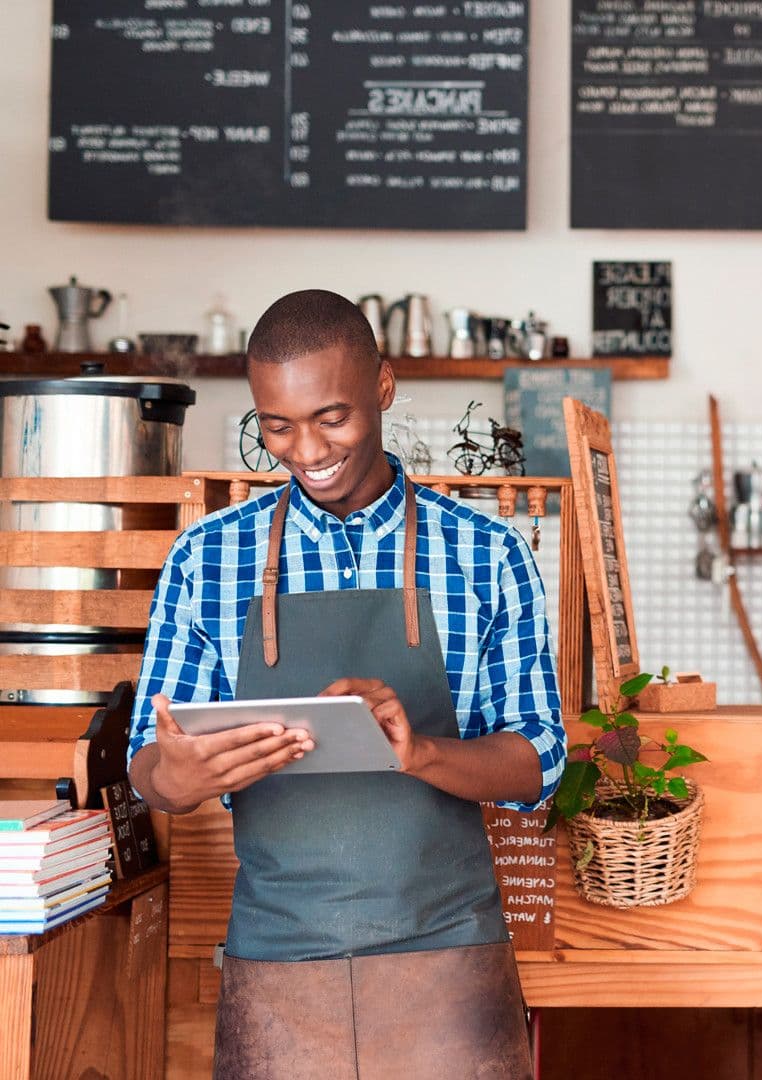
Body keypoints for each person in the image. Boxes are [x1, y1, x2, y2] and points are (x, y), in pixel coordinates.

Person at [127, 289, 565, 1079]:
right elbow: (148, 770)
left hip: (450, 961)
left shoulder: (489, 553)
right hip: (277, 964)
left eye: (332, 417)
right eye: (278, 425)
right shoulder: (206, 560)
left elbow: (537, 762)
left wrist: (420, 750)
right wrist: (176, 777)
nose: (305, 449)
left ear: (384, 388)